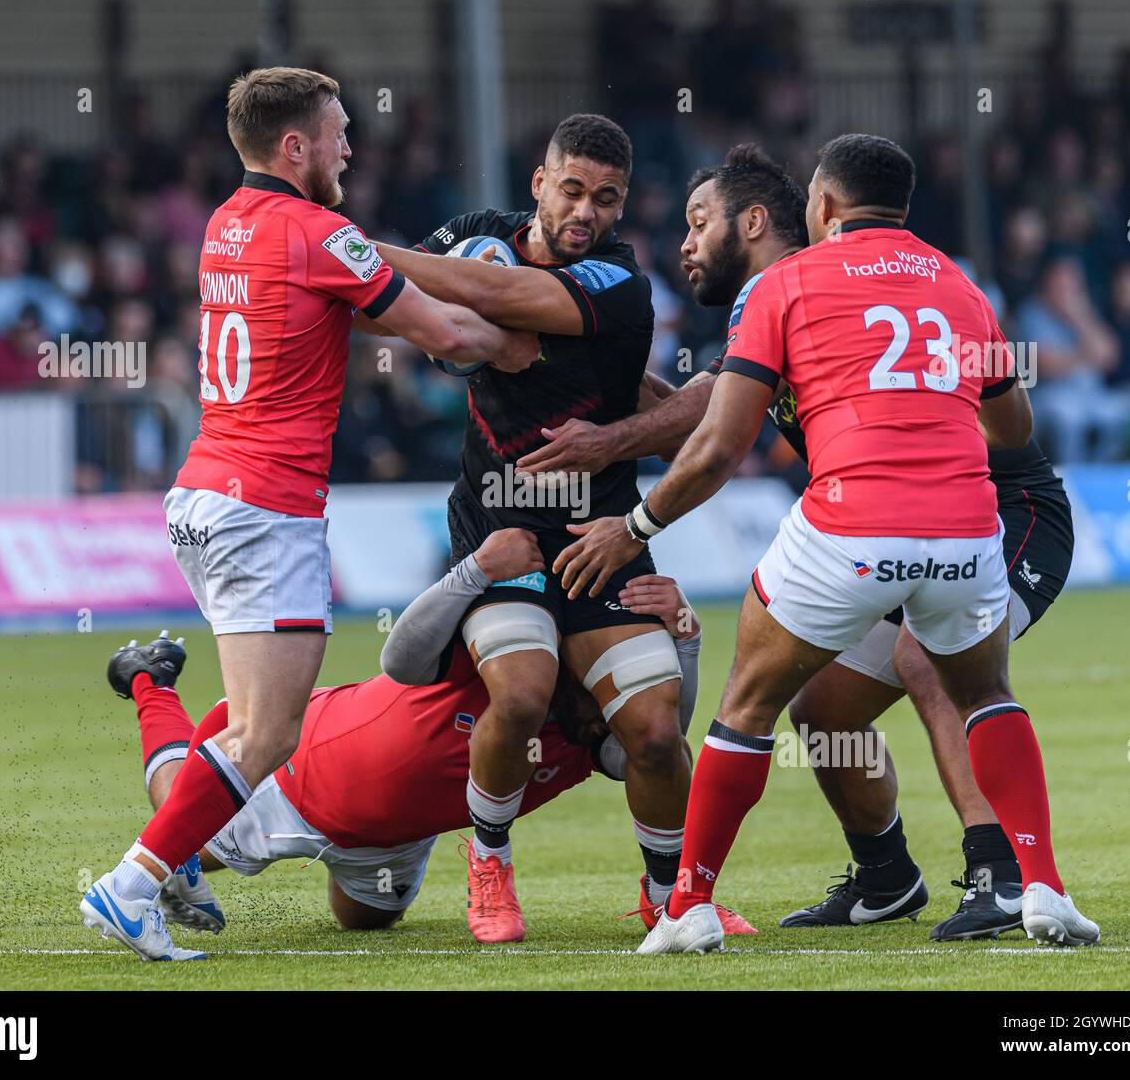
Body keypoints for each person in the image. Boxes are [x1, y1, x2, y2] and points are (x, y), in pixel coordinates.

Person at [555, 133, 1099, 953]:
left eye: (699, 222)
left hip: (1006, 509)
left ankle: (999, 877)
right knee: (826, 711)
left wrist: (632, 522)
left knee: (857, 675)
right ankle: (889, 877)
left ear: (805, 210)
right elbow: (705, 409)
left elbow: (715, 440)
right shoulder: (948, 280)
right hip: (953, 522)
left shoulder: (787, 289)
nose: (686, 244)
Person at [80, 67, 540, 962]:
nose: (349, 149)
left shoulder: (228, 224)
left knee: (250, 724)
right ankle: (134, 883)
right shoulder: (321, 230)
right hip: (266, 509)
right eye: (337, 134)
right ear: (296, 147)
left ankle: (161, 819)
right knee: (267, 734)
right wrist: (528, 345)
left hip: (207, 496)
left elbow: (340, 314)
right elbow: (446, 336)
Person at [94, 529, 751, 943]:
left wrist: (686, 639)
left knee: (367, 920)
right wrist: (473, 570)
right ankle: (151, 684)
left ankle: (343, 854)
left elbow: (659, 748)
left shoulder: (595, 733)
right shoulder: (509, 670)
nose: (609, 706)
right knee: (184, 829)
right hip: (308, 773)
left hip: (399, 835)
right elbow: (400, 658)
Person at [373, 115, 693, 944]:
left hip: (602, 536)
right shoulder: (477, 236)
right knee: (515, 697)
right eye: (574, 190)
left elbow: (494, 295)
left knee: (657, 731)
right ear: (539, 183)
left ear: (623, 208)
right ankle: (489, 864)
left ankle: (670, 896)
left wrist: (350, 249)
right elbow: (373, 314)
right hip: (500, 526)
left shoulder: (619, 280)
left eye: (608, 198)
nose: (587, 210)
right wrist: (417, 308)